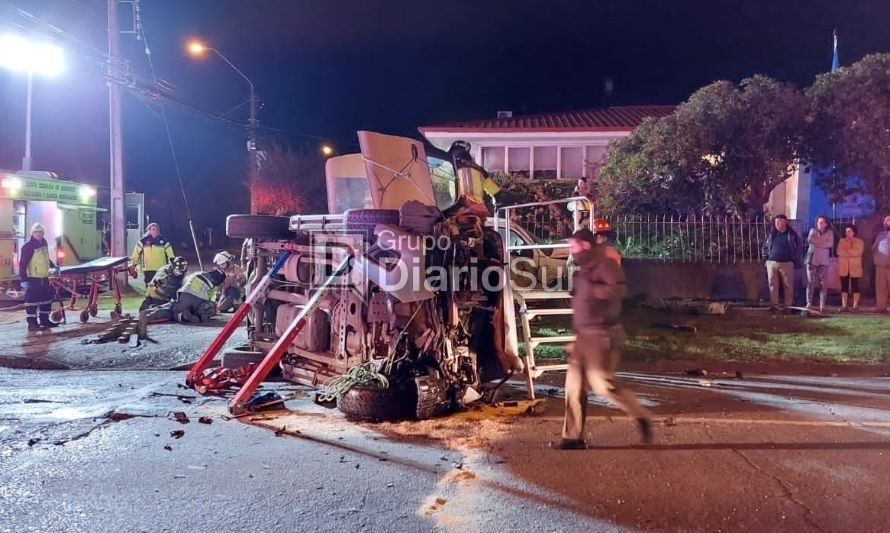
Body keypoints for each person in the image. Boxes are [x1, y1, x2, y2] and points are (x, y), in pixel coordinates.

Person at [556, 228, 652, 450]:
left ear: (586, 246)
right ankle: (572, 437)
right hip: (582, 338)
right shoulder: (583, 270)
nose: (571, 251)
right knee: (573, 387)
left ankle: (640, 414)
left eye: (574, 246)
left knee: (602, 387)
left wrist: (593, 287)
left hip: (601, 334)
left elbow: (618, 291)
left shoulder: (605, 265)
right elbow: (581, 307)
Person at [19, 223, 59, 332]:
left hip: (44, 278)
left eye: (40, 232)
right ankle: (32, 323)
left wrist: (53, 266)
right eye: (36, 232)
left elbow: (45, 259)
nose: (39, 234)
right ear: (32, 233)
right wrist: (23, 279)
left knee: (46, 300)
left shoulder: (44, 243)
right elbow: (22, 263)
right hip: (33, 278)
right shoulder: (28, 246)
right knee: (32, 302)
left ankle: (45, 320)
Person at [173, 252, 233, 323]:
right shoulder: (212, 285)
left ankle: (184, 313)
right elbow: (212, 300)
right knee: (210, 305)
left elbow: (184, 283)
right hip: (197, 299)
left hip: (182, 296)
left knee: (182, 307)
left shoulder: (199, 273)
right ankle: (197, 316)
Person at [762, 214, 802, 309]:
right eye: (776, 222)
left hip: (787, 263)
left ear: (785, 222)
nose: (777, 224)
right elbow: (765, 246)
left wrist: (794, 259)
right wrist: (766, 259)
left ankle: (788, 306)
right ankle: (774, 305)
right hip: (772, 262)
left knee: (788, 285)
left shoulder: (792, 234)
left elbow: (798, 247)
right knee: (772, 284)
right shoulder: (771, 234)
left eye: (780, 221)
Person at [804, 215, 834, 313]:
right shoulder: (812, 231)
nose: (819, 224)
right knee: (810, 283)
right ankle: (809, 303)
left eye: (822, 223)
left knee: (823, 284)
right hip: (812, 259)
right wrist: (822, 242)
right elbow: (810, 240)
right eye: (818, 222)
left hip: (823, 261)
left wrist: (817, 242)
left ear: (826, 224)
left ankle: (822, 305)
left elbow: (830, 244)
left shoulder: (830, 233)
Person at [837, 224, 865, 312]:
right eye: (846, 231)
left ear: (854, 232)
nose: (847, 233)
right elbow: (839, 252)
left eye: (849, 231)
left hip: (855, 267)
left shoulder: (860, 241)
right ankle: (844, 306)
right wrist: (850, 253)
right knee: (844, 286)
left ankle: (855, 306)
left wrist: (847, 251)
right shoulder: (842, 241)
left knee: (855, 286)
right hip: (844, 267)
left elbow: (858, 252)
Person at [874, 215, 890, 313]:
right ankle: (881, 307)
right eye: (886, 222)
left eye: (889, 221)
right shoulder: (880, 235)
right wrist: (875, 259)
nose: (887, 223)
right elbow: (874, 248)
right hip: (880, 265)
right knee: (880, 287)